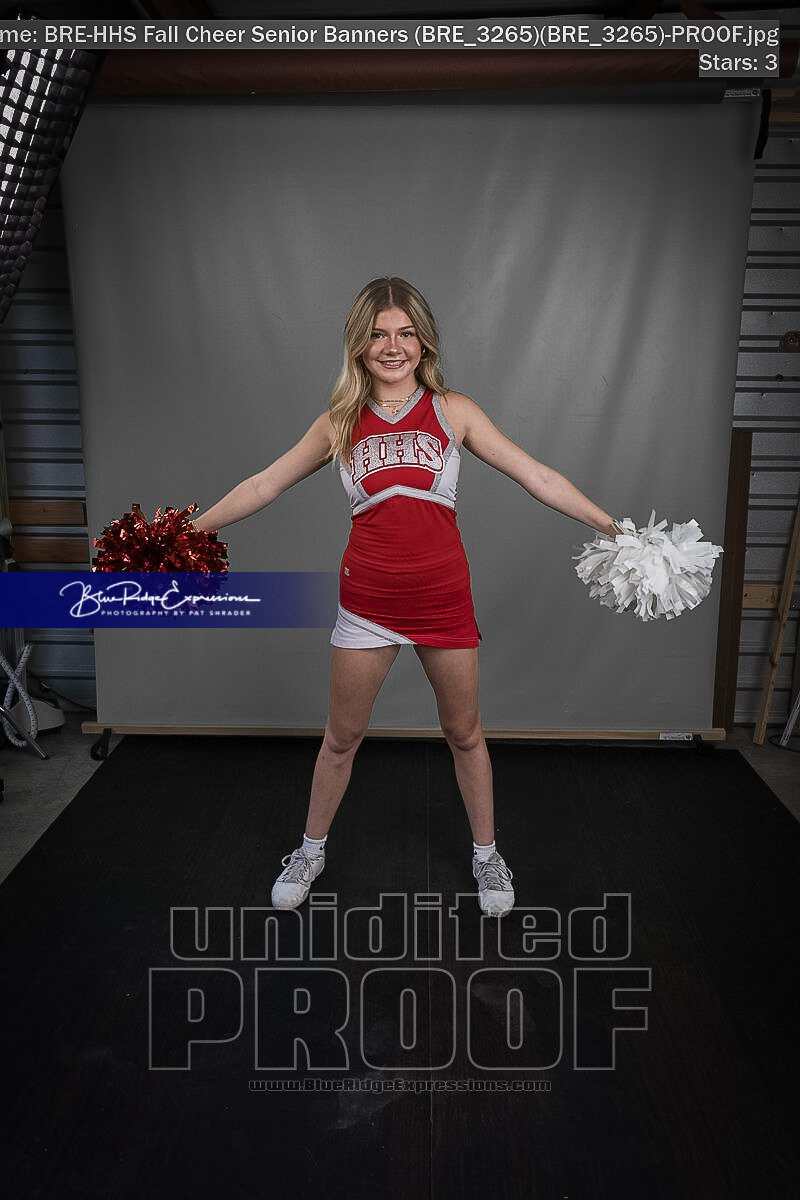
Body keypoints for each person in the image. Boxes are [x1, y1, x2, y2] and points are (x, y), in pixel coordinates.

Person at [192, 277, 624, 918]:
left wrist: (614, 529)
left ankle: (486, 853)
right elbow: (263, 485)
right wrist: (185, 533)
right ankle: (310, 850)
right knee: (342, 737)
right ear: (358, 345)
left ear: (423, 342)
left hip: (443, 600)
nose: (392, 346)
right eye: (377, 335)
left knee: (465, 733)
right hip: (366, 601)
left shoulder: (455, 411)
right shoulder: (338, 423)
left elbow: (536, 475)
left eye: (405, 333)